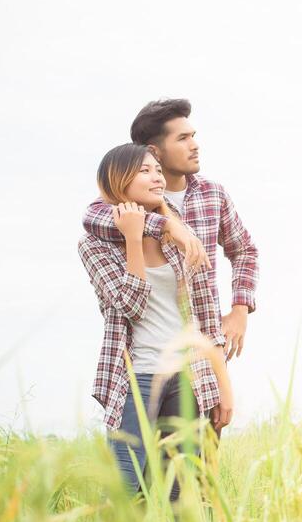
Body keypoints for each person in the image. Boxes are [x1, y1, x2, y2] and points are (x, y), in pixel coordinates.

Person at [79, 143, 234, 500]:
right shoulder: (94, 243)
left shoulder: (178, 235)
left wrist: (223, 385)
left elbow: (206, 317)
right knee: (125, 493)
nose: (157, 177)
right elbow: (129, 305)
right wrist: (134, 239)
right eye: (145, 171)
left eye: (158, 170)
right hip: (137, 378)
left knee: (181, 497)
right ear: (118, 180)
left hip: (186, 376)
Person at [83, 99, 260, 360]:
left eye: (193, 136)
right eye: (183, 138)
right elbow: (93, 217)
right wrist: (168, 226)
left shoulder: (213, 194)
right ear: (154, 151)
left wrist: (240, 310)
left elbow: (244, 250)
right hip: (146, 353)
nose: (195, 145)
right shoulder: (128, 201)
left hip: (205, 346)